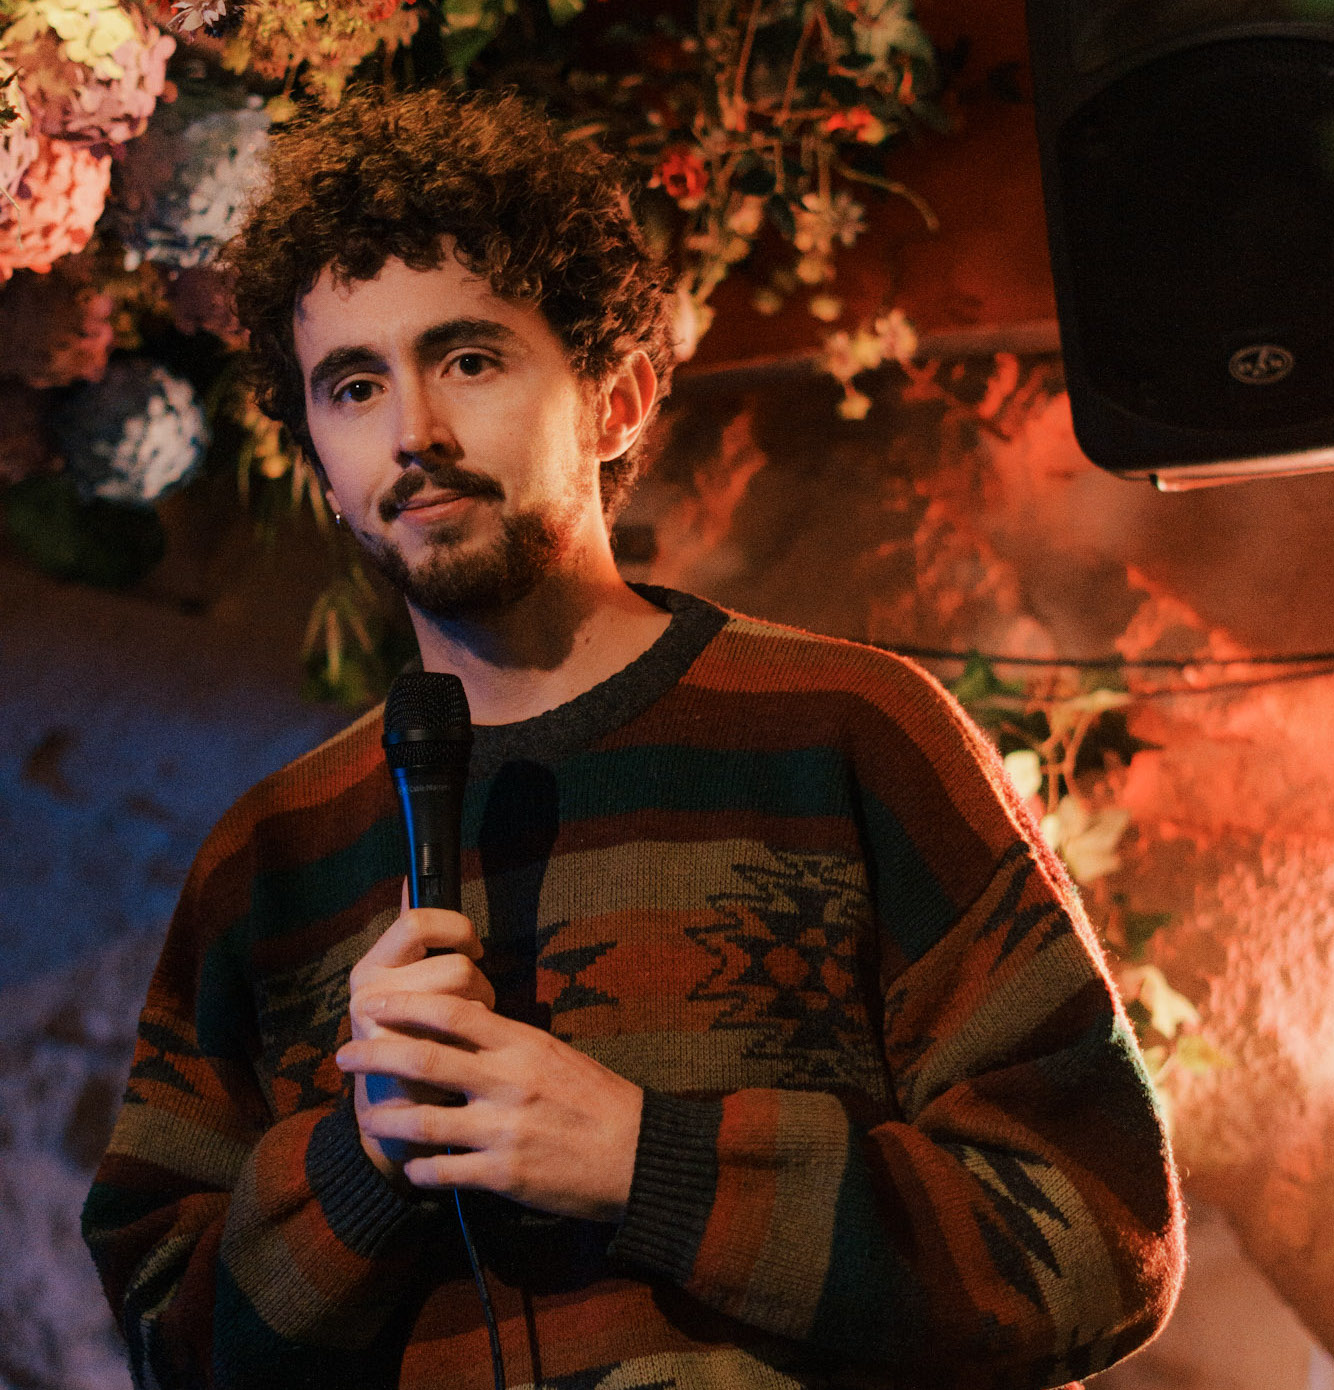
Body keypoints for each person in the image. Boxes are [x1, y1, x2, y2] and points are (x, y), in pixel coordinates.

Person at [82, 85, 1184, 1390]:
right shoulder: (268, 860)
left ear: (617, 401)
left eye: (470, 359)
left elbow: (1089, 1241)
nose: (414, 432)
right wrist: (354, 1166)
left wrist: (639, 1160)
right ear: (319, 453)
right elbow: (167, 1345)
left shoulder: (848, 730)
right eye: (354, 383)